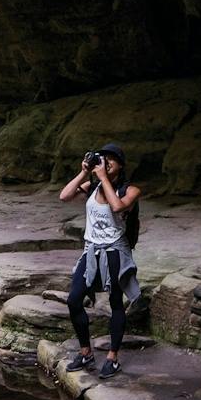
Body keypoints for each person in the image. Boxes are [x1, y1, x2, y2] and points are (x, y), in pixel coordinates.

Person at [59, 141, 142, 377]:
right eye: (102, 158)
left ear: (121, 165)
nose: (105, 162)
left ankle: (113, 357)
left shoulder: (130, 190)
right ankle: (85, 352)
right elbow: (64, 196)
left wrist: (103, 177)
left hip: (115, 250)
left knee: (116, 302)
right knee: (74, 299)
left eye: (110, 159)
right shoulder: (93, 185)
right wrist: (85, 171)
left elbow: (117, 207)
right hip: (92, 250)